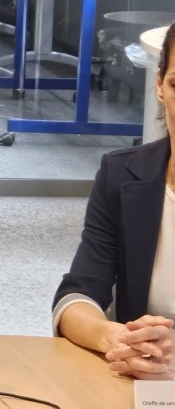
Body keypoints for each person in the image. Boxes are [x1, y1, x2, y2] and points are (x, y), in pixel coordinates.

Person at [54, 20, 175, 380]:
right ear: (159, 85)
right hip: (144, 384)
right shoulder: (122, 173)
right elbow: (76, 297)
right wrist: (116, 337)